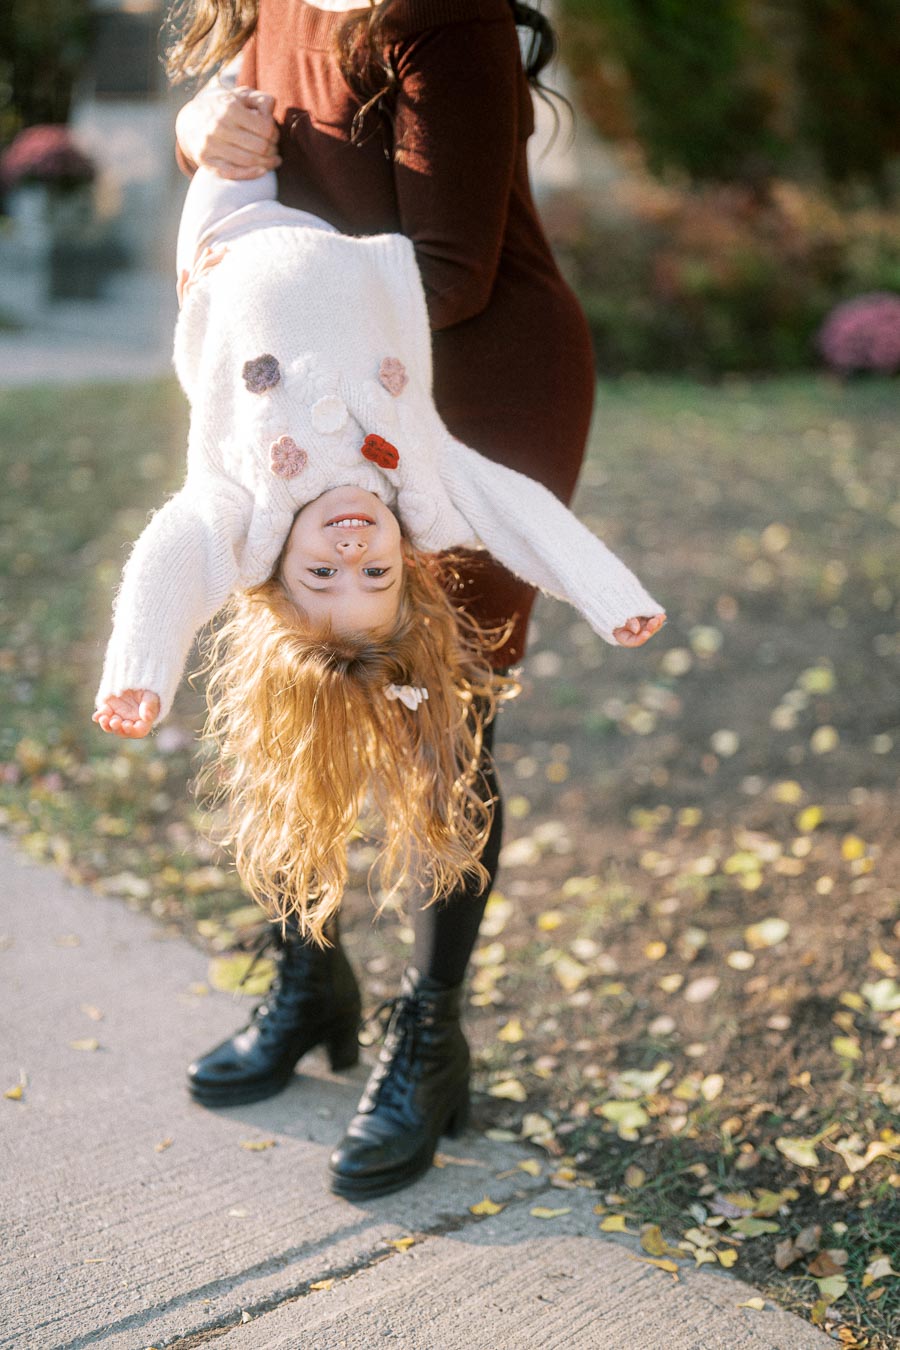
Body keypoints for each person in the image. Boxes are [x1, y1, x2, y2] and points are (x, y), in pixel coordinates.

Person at [96, 0, 665, 1201]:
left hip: (468, 392)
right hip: (308, 383)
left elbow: (453, 277)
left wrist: (251, 283)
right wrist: (204, 132)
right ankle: (310, 981)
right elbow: (269, 158)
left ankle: (430, 1034)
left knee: (430, 720)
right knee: (293, 679)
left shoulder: (433, 15)